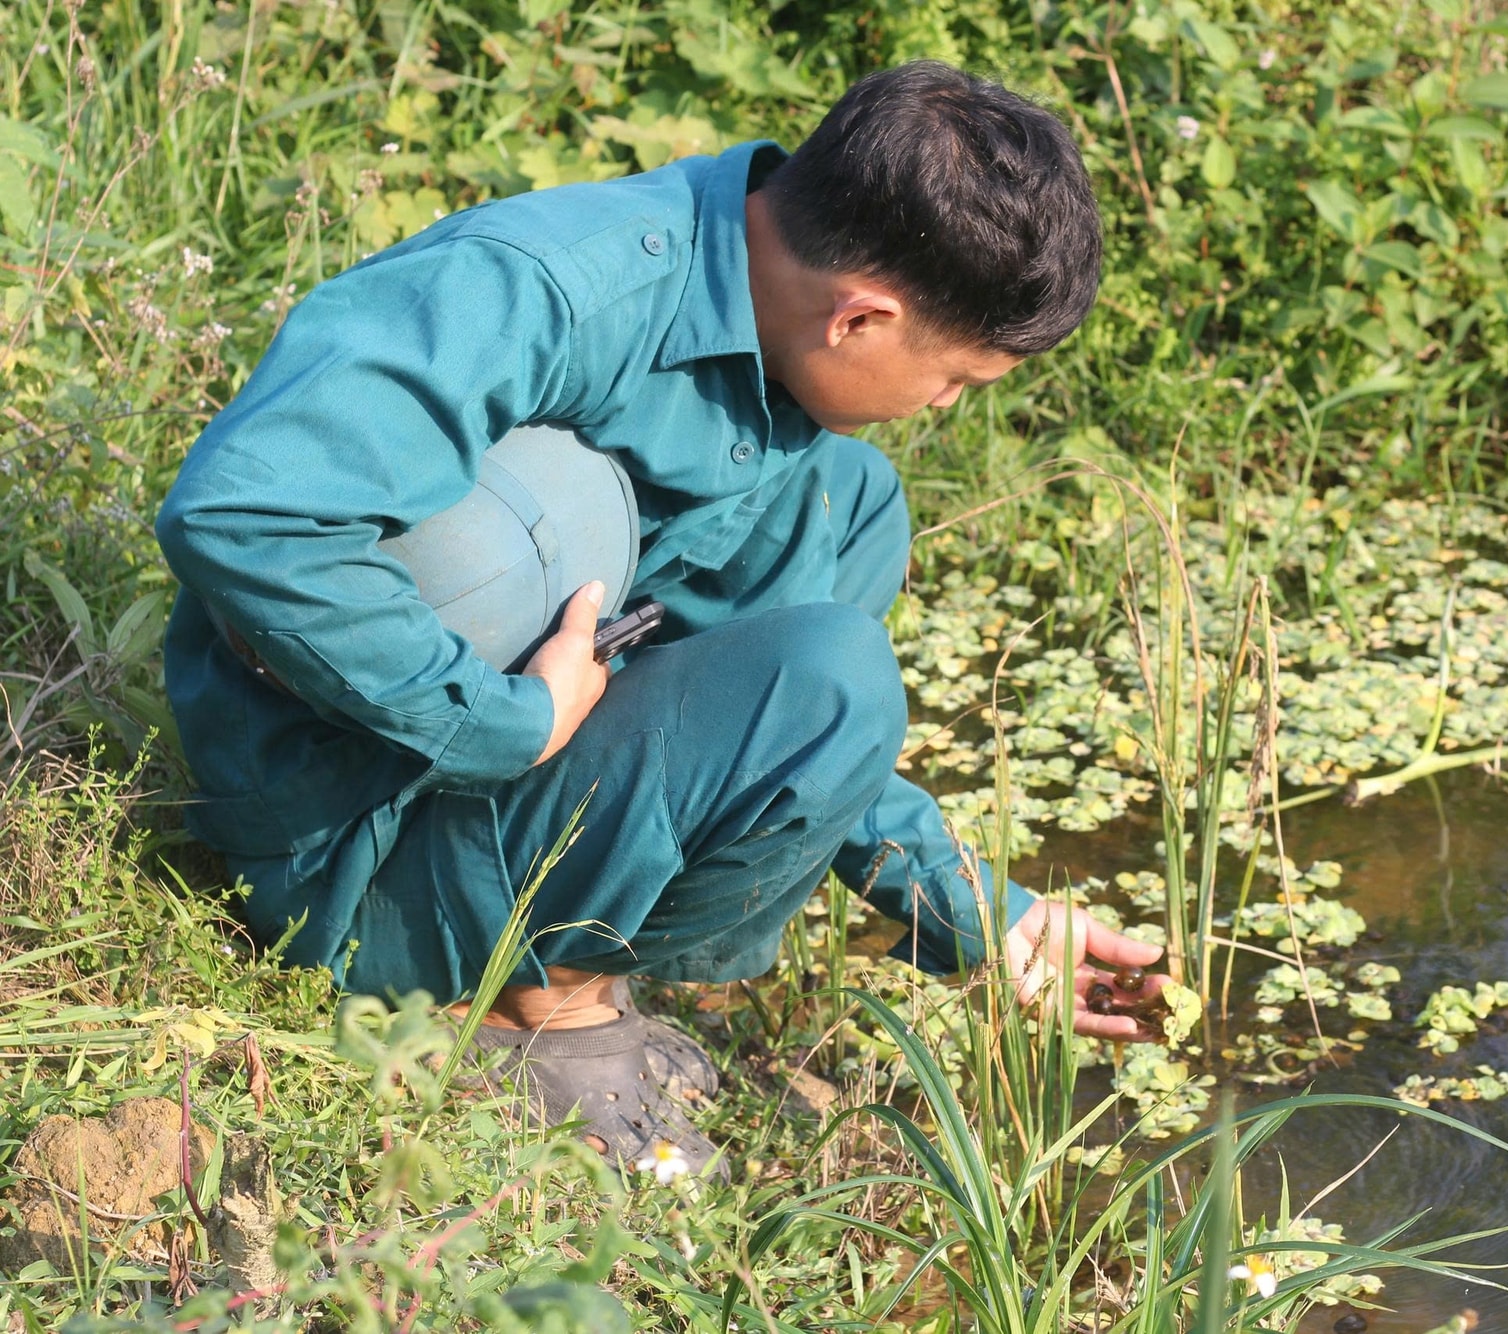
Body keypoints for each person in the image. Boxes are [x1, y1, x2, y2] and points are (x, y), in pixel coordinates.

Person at [154, 61, 1166, 1176]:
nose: (945, 407)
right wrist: (505, 722)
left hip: (478, 791)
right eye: (957, 379)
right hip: (337, 838)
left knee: (852, 508)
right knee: (834, 668)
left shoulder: (770, 354)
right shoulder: (547, 288)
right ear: (863, 316)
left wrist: (980, 909)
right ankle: (508, 1006)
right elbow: (244, 513)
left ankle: (552, 968)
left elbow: (766, 718)